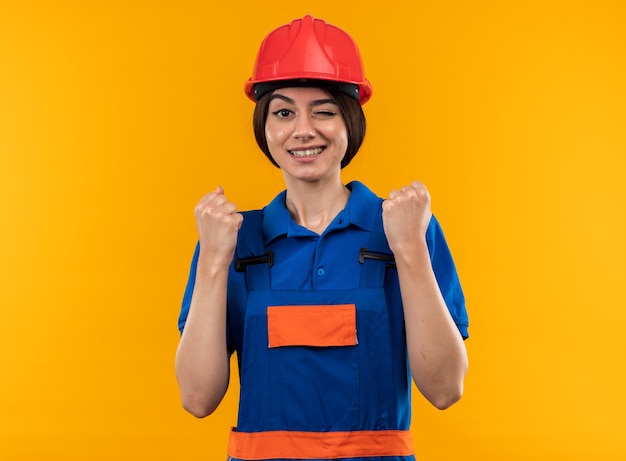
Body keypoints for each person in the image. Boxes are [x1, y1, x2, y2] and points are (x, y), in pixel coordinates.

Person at [175, 15, 469, 461]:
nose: (303, 130)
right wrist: (215, 260)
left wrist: (409, 250)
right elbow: (197, 399)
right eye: (284, 112)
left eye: (324, 111)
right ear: (265, 126)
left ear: (350, 120)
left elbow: (446, 389)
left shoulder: (407, 229)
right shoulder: (233, 240)